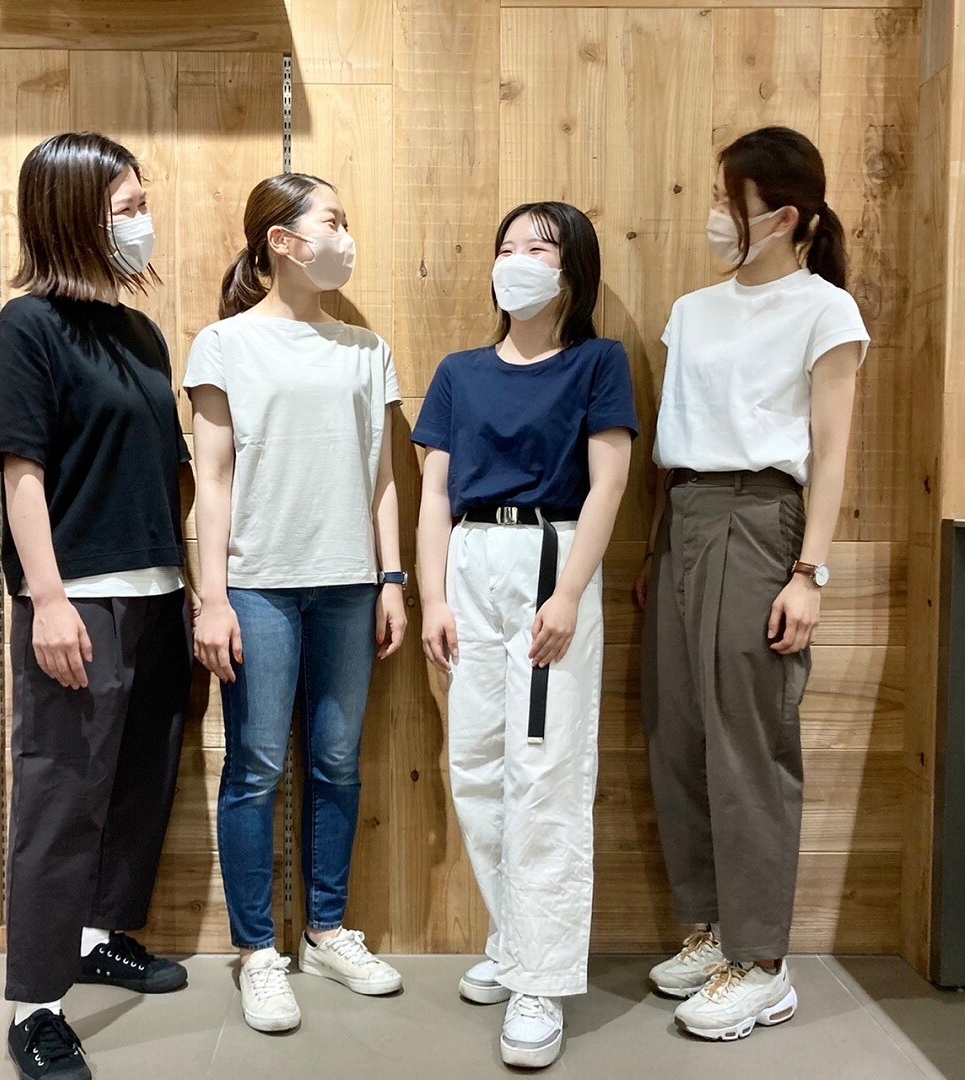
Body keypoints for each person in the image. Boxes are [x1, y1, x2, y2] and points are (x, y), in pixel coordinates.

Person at [634, 126, 869, 1041]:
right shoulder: (693, 310)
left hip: (762, 518)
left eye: (728, 200)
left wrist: (809, 572)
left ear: (784, 216)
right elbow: (676, 436)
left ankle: (763, 962)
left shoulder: (824, 311)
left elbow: (831, 454)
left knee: (747, 744)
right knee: (677, 733)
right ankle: (711, 929)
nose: (715, 214)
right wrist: (658, 547)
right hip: (687, 515)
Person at [0, 132, 193, 1080]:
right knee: (61, 796)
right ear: (72, 216)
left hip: (158, 593)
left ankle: (98, 937)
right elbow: (22, 472)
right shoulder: (27, 327)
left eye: (142, 206)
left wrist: (193, 588)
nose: (142, 224)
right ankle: (35, 1003)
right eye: (125, 209)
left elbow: (163, 472)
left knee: (139, 783)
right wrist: (48, 600)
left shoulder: (140, 333)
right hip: (82, 600)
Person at [413, 201, 637, 1068]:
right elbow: (435, 492)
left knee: (546, 769)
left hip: (551, 555)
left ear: (570, 269)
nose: (516, 261)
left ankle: (540, 981)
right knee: (475, 765)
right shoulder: (460, 372)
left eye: (537, 248)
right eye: (506, 247)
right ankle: (515, 941)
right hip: (471, 561)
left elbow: (609, 483)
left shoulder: (596, 362)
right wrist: (433, 597)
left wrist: (571, 592)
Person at [185, 173, 407, 1034]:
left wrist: (393, 579)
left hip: (349, 583)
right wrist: (212, 598)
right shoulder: (224, 344)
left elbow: (383, 477)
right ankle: (256, 952)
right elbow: (212, 479)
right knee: (256, 767)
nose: (345, 237)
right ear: (281, 240)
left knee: (338, 762)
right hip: (258, 585)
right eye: (332, 221)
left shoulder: (366, 350)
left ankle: (324, 932)